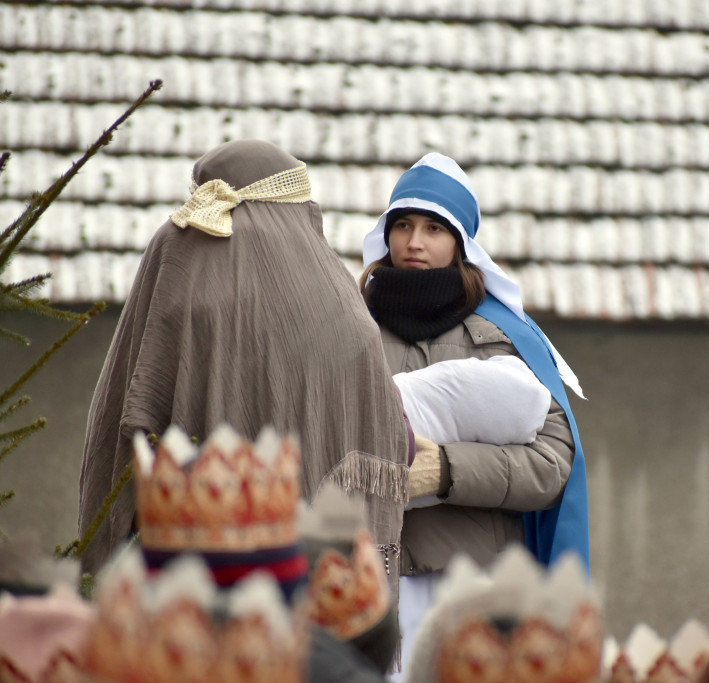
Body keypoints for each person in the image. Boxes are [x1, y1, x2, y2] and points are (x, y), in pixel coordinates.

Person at [77, 140, 409, 586]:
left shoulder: (178, 248)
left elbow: (127, 411)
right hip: (318, 577)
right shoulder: (339, 303)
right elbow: (383, 434)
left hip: (188, 570)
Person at [359, 152, 589, 676]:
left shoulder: (505, 342)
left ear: (460, 242)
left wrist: (446, 471)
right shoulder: (350, 333)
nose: (414, 242)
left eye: (434, 228)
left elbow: (553, 466)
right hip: (365, 586)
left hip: (475, 592)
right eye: (403, 225)